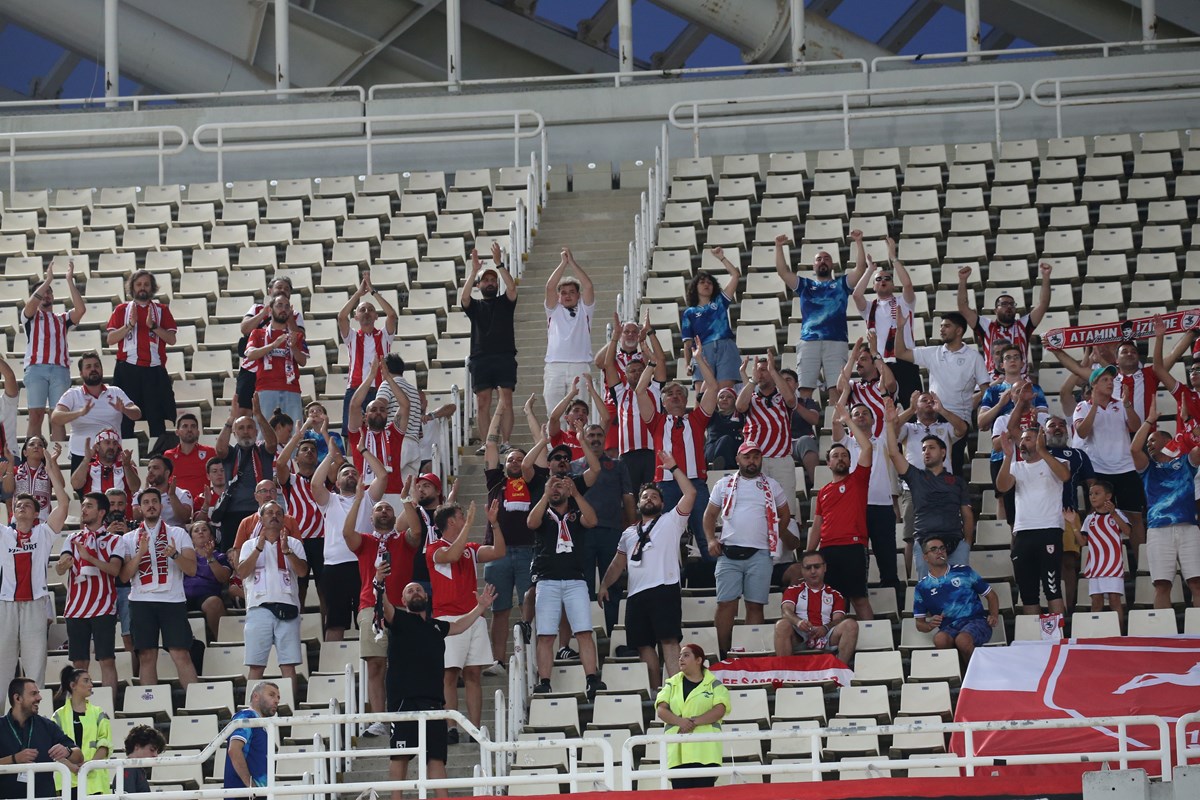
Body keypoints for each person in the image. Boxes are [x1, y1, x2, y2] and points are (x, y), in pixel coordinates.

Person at [376, 574, 496, 800]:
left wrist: (480, 607)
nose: (415, 593)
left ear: (427, 596)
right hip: (405, 701)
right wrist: (379, 583)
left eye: (419, 590)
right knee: (400, 755)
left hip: (434, 701)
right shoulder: (399, 620)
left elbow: (459, 626)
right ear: (403, 600)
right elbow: (384, 605)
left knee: (437, 758)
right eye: (410, 591)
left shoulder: (436, 627)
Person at [598, 452, 695, 688]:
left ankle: (674, 690)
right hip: (636, 594)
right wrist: (604, 585)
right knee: (643, 645)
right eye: (644, 496)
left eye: (654, 496)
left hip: (664, 588)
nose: (649, 499)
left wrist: (673, 468)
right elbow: (618, 563)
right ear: (638, 503)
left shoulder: (672, 521)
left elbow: (691, 493)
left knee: (669, 641)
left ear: (662, 503)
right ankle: (656, 693)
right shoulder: (628, 533)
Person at [704, 441, 793, 656]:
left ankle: (749, 651)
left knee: (755, 605)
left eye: (756, 457)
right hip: (729, 552)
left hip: (760, 553)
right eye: (747, 457)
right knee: (726, 604)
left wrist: (773, 533)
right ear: (738, 459)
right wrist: (710, 540)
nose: (752, 461)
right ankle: (723, 652)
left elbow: (785, 514)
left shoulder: (772, 484)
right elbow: (709, 515)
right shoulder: (723, 484)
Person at [429, 501, 505, 744]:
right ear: (451, 521)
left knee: (473, 674)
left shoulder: (471, 549)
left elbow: (499, 552)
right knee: (448, 675)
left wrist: (494, 523)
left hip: (474, 617)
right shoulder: (433, 548)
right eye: (462, 515)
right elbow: (451, 555)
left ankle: (474, 727)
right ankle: (451, 727)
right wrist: (471, 524)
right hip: (448, 619)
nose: (465, 519)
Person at [343, 472, 413, 738]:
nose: (383, 511)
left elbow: (417, 531)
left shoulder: (403, 539)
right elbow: (346, 533)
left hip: (402, 608)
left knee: (402, 664)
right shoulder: (366, 542)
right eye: (378, 508)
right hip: (370, 605)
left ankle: (400, 715)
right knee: (375, 665)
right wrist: (359, 500)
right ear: (371, 518)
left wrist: (406, 499)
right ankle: (379, 719)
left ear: (394, 517)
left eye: (387, 508)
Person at [640, 338, 718, 561]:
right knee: (664, 538)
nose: (675, 396)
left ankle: (718, 588)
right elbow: (640, 392)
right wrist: (652, 364)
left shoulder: (697, 419)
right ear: (663, 402)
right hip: (665, 486)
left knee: (705, 537)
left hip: (695, 483)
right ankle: (668, 585)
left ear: (686, 399)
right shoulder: (655, 422)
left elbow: (712, 387)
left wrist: (698, 359)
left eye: (679, 393)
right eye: (669, 394)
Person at [528, 474, 605, 699]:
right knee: (545, 635)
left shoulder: (576, 513)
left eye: (560, 486)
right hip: (547, 580)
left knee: (583, 631)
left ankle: (591, 679)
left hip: (575, 580)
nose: (555, 489)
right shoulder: (543, 514)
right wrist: (544, 494)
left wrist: (576, 494)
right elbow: (531, 523)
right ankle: (544, 682)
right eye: (552, 485)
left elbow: (592, 521)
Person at [117, 487, 199, 687]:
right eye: (146, 502)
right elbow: (124, 576)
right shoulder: (128, 538)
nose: (151, 505)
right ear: (139, 508)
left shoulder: (178, 533)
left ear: (161, 506)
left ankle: (196, 701)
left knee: (181, 654)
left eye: (154, 501)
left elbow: (192, 570)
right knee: (146, 656)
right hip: (141, 602)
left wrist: (175, 555)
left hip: (173, 601)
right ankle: (150, 705)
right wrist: (140, 554)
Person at [775, 230, 869, 400]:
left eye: (826, 259)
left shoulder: (841, 284)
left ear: (832, 265)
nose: (822, 261)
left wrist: (859, 242)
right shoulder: (805, 285)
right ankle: (805, 426)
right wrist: (779, 247)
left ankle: (836, 426)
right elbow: (783, 271)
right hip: (809, 340)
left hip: (836, 340)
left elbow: (860, 268)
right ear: (814, 266)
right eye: (818, 259)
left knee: (836, 390)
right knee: (805, 390)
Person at [895, 310, 991, 475]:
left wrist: (982, 413)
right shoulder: (933, 352)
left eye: (946, 326)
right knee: (924, 463)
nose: (941, 329)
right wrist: (899, 328)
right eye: (941, 326)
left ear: (959, 330)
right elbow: (900, 353)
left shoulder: (974, 357)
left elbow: (986, 391)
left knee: (954, 469)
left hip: (958, 420)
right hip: (932, 415)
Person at [884, 402, 973, 580]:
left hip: (955, 545)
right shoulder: (915, 477)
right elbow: (894, 453)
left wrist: (967, 543)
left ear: (943, 452)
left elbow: (967, 514)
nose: (926, 452)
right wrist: (888, 423)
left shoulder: (957, 482)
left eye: (931, 448)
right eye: (923, 449)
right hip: (925, 545)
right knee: (929, 597)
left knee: (958, 597)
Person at [0, 480, 71, 704]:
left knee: (35, 665)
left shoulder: (43, 533)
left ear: (36, 514)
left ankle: (34, 716)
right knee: (2, 665)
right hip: (5, 604)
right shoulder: (3, 534)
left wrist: (51, 469)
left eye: (28, 506)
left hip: (35, 604)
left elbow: (65, 504)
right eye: (18, 505)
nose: (22, 507)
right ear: (12, 512)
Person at [807, 397, 874, 620]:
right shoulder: (823, 492)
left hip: (853, 547)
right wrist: (809, 554)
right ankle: (835, 646)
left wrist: (847, 420)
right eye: (836, 456)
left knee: (859, 598)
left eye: (844, 455)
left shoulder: (858, 480)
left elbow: (867, 447)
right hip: (828, 551)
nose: (841, 458)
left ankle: (873, 646)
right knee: (833, 601)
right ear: (828, 463)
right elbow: (817, 524)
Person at [1073, 364, 1146, 560]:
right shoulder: (1083, 406)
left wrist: (1128, 403)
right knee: (1095, 515)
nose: (1110, 383)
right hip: (1100, 470)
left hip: (1126, 468)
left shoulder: (1121, 404)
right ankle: (1094, 561)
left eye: (1111, 380)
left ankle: (1142, 567)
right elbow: (1082, 432)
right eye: (1105, 380)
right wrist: (1095, 405)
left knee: (1135, 518)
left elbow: (1136, 427)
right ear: (1094, 384)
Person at [995, 428, 1071, 616]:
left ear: (1040, 440)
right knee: (1028, 592)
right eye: (1021, 439)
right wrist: (1007, 456)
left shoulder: (1057, 462)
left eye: (1028, 438)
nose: (1022, 443)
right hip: (1022, 533)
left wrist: (1043, 451)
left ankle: (1058, 637)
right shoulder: (1016, 467)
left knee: (1052, 588)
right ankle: (1034, 640)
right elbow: (1002, 486)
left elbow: (1065, 476)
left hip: (1049, 529)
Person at [1131, 411, 1200, 609]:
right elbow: (1134, 450)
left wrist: (1189, 421)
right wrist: (1149, 422)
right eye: (1148, 441)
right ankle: (1164, 635)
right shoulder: (1147, 468)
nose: (1149, 444)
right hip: (1158, 530)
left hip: (1188, 528)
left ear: (1168, 441)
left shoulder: (1187, 462)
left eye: (1153, 439)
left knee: (1197, 583)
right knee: (1162, 585)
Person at [237, 500, 308, 683]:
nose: (274, 516)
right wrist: (258, 548)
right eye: (269, 513)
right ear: (261, 519)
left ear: (284, 519)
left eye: (278, 513)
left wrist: (287, 552)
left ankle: (290, 709)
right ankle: (251, 711)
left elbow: (302, 572)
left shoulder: (294, 543)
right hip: (258, 608)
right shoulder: (249, 544)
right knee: (256, 665)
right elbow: (242, 572)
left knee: (288, 665)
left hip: (288, 607)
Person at [58, 492, 123, 690]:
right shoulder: (72, 538)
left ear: (102, 512)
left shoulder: (114, 540)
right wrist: (63, 565)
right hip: (75, 609)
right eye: (83, 506)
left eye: (89, 506)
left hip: (103, 607)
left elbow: (114, 570)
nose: (83, 510)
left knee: (106, 660)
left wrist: (90, 557)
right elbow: (60, 569)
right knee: (79, 664)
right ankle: (80, 709)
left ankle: (109, 709)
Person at [573, 423, 634, 634]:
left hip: (612, 532)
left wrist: (633, 526)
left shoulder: (618, 465)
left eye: (599, 435)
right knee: (584, 585)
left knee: (612, 585)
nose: (596, 439)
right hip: (583, 534)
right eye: (591, 435)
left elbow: (627, 497)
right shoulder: (574, 467)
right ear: (584, 438)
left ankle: (612, 631)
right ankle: (587, 631)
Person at [833, 402, 900, 591]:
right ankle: (859, 594)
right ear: (850, 420)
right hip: (854, 508)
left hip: (882, 507)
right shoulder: (845, 443)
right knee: (857, 557)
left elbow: (893, 424)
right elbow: (835, 425)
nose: (861, 416)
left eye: (865, 413)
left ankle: (893, 594)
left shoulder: (883, 440)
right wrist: (845, 392)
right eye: (856, 414)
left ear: (872, 420)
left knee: (886, 555)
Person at [105, 269, 177, 443]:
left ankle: (158, 459)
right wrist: (129, 325)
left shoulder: (161, 310)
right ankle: (127, 458)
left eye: (146, 284)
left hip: (154, 370)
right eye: (138, 284)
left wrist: (154, 327)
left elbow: (172, 339)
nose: (142, 288)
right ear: (132, 287)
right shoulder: (122, 310)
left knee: (156, 418)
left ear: (152, 287)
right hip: (127, 369)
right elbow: (110, 339)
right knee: (126, 418)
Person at [461, 243, 518, 452]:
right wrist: (474, 271)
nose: (491, 282)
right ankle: (487, 443)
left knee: (506, 400)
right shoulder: (475, 306)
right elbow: (464, 298)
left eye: (493, 280)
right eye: (486, 280)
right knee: (483, 403)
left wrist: (499, 264)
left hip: (504, 356)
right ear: (479, 285)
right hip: (481, 358)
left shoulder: (506, 302)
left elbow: (512, 288)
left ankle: (506, 442)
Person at [311, 447, 372, 641]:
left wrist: (363, 451)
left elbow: (383, 478)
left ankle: (369, 667)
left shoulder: (368, 498)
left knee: (368, 620)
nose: (351, 475)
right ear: (337, 483)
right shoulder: (330, 500)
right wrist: (330, 455)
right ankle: (332, 666)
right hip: (334, 567)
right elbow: (315, 483)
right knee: (335, 622)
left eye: (354, 473)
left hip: (363, 566)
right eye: (345, 473)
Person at [912, 535, 999, 666]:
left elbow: (991, 595)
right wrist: (930, 625)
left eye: (942, 548)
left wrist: (994, 615)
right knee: (940, 639)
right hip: (949, 627)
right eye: (934, 549)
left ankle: (976, 676)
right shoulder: (922, 587)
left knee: (962, 640)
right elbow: (919, 624)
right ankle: (957, 675)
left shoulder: (964, 571)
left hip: (977, 621)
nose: (939, 552)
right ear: (925, 557)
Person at [851, 237, 920, 402]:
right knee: (886, 408)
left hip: (905, 360)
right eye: (878, 279)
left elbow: (908, 285)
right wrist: (869, 270)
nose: (883, 281)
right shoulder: (869, 308)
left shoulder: (905, 302)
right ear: (873, 286)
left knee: (910, 407)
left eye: (887, 278)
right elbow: (856, 295)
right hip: (880, 363)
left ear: (893, 285)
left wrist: (893, 257)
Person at [653, 643, 730, 790]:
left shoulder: (715, 685)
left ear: (698, 660)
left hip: (705, 753)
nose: (681, 659)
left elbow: (719, 710)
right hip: (678, 754)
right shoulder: (671, 684)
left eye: (686, 655)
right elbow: (661, 710)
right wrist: (680, 722)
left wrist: (691, 722)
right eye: (680, 656)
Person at [23, 260, 85, 441]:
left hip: (60, 369)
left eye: (49, 292)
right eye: (43, 293)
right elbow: (29, 307)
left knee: (57, 418)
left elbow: (80, 310)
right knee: (36, 414)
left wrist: (69, 280)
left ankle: (57, 462)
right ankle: (32, 461)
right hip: (36, 368)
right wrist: (47, 281)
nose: (46, 295)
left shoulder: (62, 318)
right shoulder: (30, 317)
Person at [957, 261, 1051, 375]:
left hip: (1019, 380)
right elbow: (963, 308)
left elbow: (1043, 304)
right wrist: (962, 281)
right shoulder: (986, 326)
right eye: (1004, 304)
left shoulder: (1023, 325)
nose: (1009, 307)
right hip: (993, 380)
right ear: (995, 310)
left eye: (1012, 304)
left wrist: (1046, 277)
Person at [52, 352, 141, 472]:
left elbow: (137, 413)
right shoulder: (72, 394)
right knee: (82, 490)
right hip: (81, 454)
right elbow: (55, 418)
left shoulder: (115, 391)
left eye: (96, 366)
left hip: (111, 453)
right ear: (81, 373)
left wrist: (124, 409)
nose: (93, 369)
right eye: (88, 367)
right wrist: (79, 413)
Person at [735, 350, 799, 515]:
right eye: (757, 370)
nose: (760, 373)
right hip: (756, 461)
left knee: (788, 512)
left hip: (781, 460)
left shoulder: (783, 396)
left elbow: (791, 400)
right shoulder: (751, 396)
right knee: (758, 511)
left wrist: (773, 371)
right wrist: (752, 380)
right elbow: (740, 406)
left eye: (764, 370)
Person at [276, 420, 330, 610]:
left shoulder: (325, 479)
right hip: (298, 540)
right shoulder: (290, 480)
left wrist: (323, 433)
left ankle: (327, 631)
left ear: (317, 458)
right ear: (296, 459)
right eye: (304, 450)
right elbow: (280, 462)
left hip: (323, 539)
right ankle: (297, 627)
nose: (309, 452)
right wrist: (298, 437)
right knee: (299, 587)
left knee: (326, 590)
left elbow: (338, 461)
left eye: (312, 451)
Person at [0, 679, 82, 798]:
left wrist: (68, 751)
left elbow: (79, 756)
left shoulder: (47, 726)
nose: (39, 698)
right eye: (33, 694)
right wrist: (14, 759)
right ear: (17, 698)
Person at [775, 550, 859, 665]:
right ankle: (785, 674)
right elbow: (786, 611)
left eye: (817, 567)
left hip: (827, 636)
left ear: (824, 568)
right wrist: (799, 622)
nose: (813, 571)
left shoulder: (835, 595)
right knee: (782, 625)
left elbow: (838, 620)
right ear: (802, 570)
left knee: (851, 624)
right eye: (808, 568)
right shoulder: (792, 590)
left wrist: (824, 628)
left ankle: (839, 670)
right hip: (800, 636)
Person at [339, 274, 399, 429]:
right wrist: (358, 294)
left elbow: (392, 315)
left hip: (381, 390)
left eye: (370, 310)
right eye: (362, 310)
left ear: (376, 316)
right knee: (352, 433)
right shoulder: (352, 336)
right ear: (356, 316)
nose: (366, 312)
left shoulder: (384, 336)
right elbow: (341, 317)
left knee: (380, 432)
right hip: (355, 389)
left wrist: (372, 291)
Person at [348, 360, 411, 508]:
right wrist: (370, 376)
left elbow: (405, 405)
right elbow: (354, 405)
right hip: (364, 493)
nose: (378, 412)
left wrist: (388, 378)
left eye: (382, 410)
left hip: (393, 492)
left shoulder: (393, 433)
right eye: (373, 409)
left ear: (387, 415)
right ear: (365, 416)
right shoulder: (358, 434)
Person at [215, 404, 278, 550]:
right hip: (232, 514)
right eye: (241, 428)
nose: (245, 432)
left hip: (261, 512)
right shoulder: (230, 453)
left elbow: (273, 443)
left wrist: (259, 415)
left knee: (263, 554)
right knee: (233, 557)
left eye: (249, 427)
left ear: (256, 432)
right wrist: (231, 420)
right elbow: (219, 449)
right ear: (234, 433)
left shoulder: (262, 450)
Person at [235, 276, 304, 410]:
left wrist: (290, 320)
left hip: (279, 370)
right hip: (251, 367)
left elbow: (301, 338)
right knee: (244, 410)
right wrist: (264, 313)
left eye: (286, 289)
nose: (282, 290)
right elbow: (245, 329)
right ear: (269, 291)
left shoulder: (295, 315)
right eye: (279, 287)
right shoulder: (256, 308)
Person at [543, 246, 596, 418]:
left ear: (578, 295)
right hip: (554, 367)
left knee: (579, 412)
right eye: (563, 293)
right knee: (554, 413)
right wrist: (562, 264)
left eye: (572, 292)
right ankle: (554, 446)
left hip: (580, 366)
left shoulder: (585, 310)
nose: (567, 296)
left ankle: (578, 444)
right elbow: (550, 287)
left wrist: (572, 262)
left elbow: (588, 286)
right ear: (559, 297)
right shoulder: (553, 310)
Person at [1068, 481, 1130, 626]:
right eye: (1090, 494)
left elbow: (1127, 531)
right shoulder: (1089, 519)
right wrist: (1073, 524)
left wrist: (1114, 513)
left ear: (1108, 496)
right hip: (1095, 567)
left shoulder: (1117, 514)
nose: (1092, 497)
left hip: (1113, 566)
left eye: (1097, 494)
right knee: (1096, 602)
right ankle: (1095, 632)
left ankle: (1119, 634)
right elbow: (1083, 542)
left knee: (1115, 600)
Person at [244, 291, 309, 425]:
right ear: (270, 310)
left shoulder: (296, 335)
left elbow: (303, 362)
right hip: (265, 388)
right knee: (263, 435)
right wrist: (273, 345)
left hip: (291, 389)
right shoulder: (258, 333)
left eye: (286, 307)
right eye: (279, 305)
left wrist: (293, 347)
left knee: (294, 435)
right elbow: (250, 355)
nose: (283, 309)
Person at [682, 249, 742, 390]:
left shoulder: (720, 302)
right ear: (695, 287)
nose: (706, 284)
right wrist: (687, 363)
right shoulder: (689, 313)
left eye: (710, 282)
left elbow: (735, 275)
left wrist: (722, 258)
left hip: (725, 347)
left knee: (724, 393)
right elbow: (687, 343)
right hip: (702, 351)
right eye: (702, 282)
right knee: (702, 396)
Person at [52, 666, 111, 797]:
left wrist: (89, 765)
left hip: (94, 779)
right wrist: (71, 767)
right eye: (86, 681)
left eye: (91, 680)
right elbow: (53, 748)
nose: (91, 684)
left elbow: (105, 743)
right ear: (73, 685)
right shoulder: (58, 716)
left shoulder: (98, 713)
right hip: (67, 779)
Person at [374, 354, 424, 480]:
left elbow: (379, 406)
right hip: (414, 445)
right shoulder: (414, 390)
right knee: (407, 492)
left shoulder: (387, 385)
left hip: (396, 442)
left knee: (387, 485)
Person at [224, 681, 281, 791]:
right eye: (271, 695)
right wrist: (250, 786)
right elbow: (234, 750)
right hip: (244, 793)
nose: (276, 701)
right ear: (256, 697)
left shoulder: (263, 727)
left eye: (278, 697)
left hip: (257, 792)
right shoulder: (246, 716)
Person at [185, 519, 232, 640]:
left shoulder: (220, 556)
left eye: (204, 530)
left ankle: (221, 642)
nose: (200, 532)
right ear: (191, 539)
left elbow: (224, 578)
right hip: (183, 596)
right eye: (196, 531)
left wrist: (210, 557)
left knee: (214, 603)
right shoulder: (184, 556)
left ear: (211, 536)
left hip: (207, 596)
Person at [69, 429, 140, 499]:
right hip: (95, 509)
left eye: (115, 443)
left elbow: (135, 488)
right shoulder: (88, 468)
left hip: (120, 509)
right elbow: (76, 485)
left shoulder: (126, 467)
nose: (112, 447)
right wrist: (86, 459)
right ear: (97, 447)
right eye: (107, 443)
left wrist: (127, 466)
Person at [163, 413, 218, 501]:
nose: (189, 429)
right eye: (185, 426)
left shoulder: (210, 452)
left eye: (193, 426)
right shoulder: (168, 455)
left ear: (198, 432)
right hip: (177, 504)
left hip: (201, 503)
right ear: (177, 432)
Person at [136, 454, 194, 528]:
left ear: (167, 473)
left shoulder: (182, 494)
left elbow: (184, 518)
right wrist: (145, 497)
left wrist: (172, 496)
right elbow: (136, 518)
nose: (150, 471)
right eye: (149, 468)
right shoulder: (140, 494)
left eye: (155, 468)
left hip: (175, 535)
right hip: (148, 535)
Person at [13, 436, 53, 523]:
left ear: (44, 452)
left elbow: (61, 485)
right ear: (25, 452)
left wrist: (52, 461)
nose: (36, 447)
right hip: (19, 521)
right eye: (32, 444)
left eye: (40, 445)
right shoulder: (15, 470)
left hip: (43, 521)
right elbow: (8, 490)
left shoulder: (49, 470)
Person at [114, 724, 163, 794]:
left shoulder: (135, 769)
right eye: (152, 750)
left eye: (157, 752)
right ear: (137, 746)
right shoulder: (128, 769)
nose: (156, 755)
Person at [705, 387, 744, 471]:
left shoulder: (742, 417)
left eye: (729, 397)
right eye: (721, 397)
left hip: (734, 452)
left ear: (735, 400)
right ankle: (722, 466)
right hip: (713, 451)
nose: (724, 399)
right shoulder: (712, 416)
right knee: (726, 439)